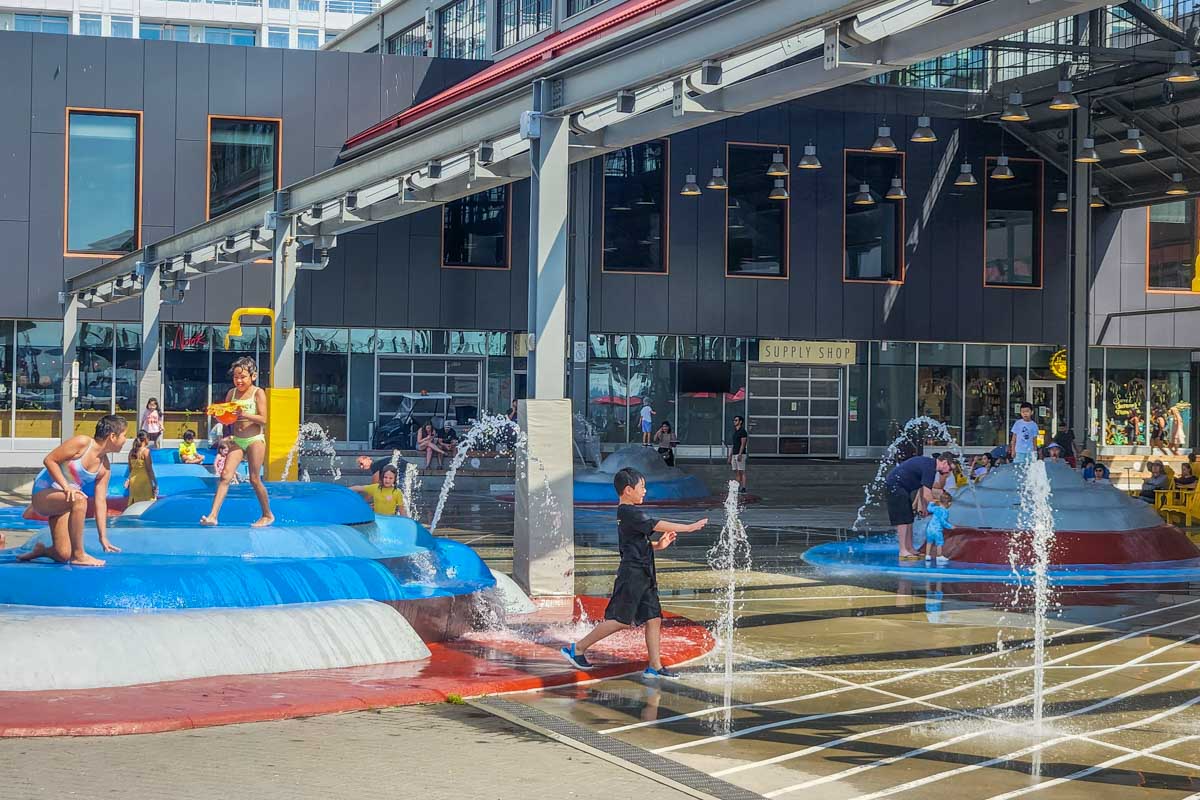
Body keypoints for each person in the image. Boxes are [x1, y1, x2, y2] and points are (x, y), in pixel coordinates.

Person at [560, 467, 708, 679]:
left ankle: (655, 667)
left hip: (644, 572)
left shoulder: (628, 514)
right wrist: (690, 527)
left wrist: (658, 545)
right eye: (642, 487)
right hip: (633, 573)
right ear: (628, 490)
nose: (644, 491)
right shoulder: (629, 512)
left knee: (654, 617)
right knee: (620, 620)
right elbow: (655, 523)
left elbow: (633, 544)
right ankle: (577, 648)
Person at [18, 415, 127, 567]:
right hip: (44, 493)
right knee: (80, 500)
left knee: (62, 554)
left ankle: (42, 550)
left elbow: (100, 502)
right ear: (113, 436)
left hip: (65, 501)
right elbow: (50, 460)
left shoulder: (104, 468)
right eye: (124, 435)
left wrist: (103, 537)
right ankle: (79, 555)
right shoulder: (82, 443)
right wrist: (66, 486)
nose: (126, 440)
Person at [201, 357, 272, 527]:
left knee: (255, 478)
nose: (239, 380)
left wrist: (243, 414)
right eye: (235, 377)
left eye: (243, 377)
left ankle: (267, 515)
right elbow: (228, 420)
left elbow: (263, 419)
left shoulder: (258, 393)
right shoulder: (231, 393)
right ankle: (213, 515)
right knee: (225, 475)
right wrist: (218, 414)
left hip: (254, 439)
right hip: (238, 440)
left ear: (253, 376)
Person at [884, 453, 954, 560]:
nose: (948, 472)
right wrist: (940, 506)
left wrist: (924, 506)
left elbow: (923, 488)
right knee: (902, 519)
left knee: (909, 519)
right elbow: (927, 494)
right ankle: (903, 550)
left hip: (902, 488)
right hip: (895, 486)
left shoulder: (930, 466)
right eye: (949, 468)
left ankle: (910, 548)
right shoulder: (930, 467)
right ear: (944, 462)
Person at [125, 431, 158, 504]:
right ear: (146, 439)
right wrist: (155, 483)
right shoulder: (146, 452)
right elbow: (149, 469)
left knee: (134, 504)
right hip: (144, 481)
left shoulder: (131, 452)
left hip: (133, 481)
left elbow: (130, 469)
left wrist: (128, 479)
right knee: (146, 504)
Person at [923, 494, 953, 566]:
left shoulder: (936, 508)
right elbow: (943, 521)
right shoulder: (945, 511)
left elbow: (929, 508)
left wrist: (932, 502)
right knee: (939, 542)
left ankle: (927, 555)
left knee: (929, 542)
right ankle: (939, 556)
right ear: (949, 503)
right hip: (937, 530)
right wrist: (950, 526)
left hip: (929, 528)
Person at [730, 416, 749, 493]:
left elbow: (743, 444)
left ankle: (743, 487)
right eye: (734, 420)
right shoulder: (735, 432)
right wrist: (730, 456)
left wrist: (740, 454)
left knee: (742, 471)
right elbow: (734, 444)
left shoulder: (742, 431)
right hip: (734, 453)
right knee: (736, 471)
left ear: (740, 422)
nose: (734, 421)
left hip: (740, 453)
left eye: (736, 420)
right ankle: (737, 486)